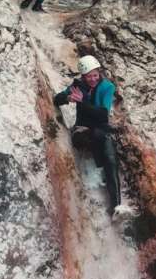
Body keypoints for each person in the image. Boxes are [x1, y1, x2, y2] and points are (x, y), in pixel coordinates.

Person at [54, 54, 126, 217]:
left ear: (99, 73)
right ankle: (100, 167)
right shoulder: (78, 85)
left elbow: (102, 115)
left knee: (110, 155)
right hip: (82, 130)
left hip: (99, 128)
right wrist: (68, 97)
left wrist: (83, 102)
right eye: (89, 77)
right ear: (83, 76)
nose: (93, 79)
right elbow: (57, 99)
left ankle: (116, 206)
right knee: (99, 138)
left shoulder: (107, 87)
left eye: (95, 75)